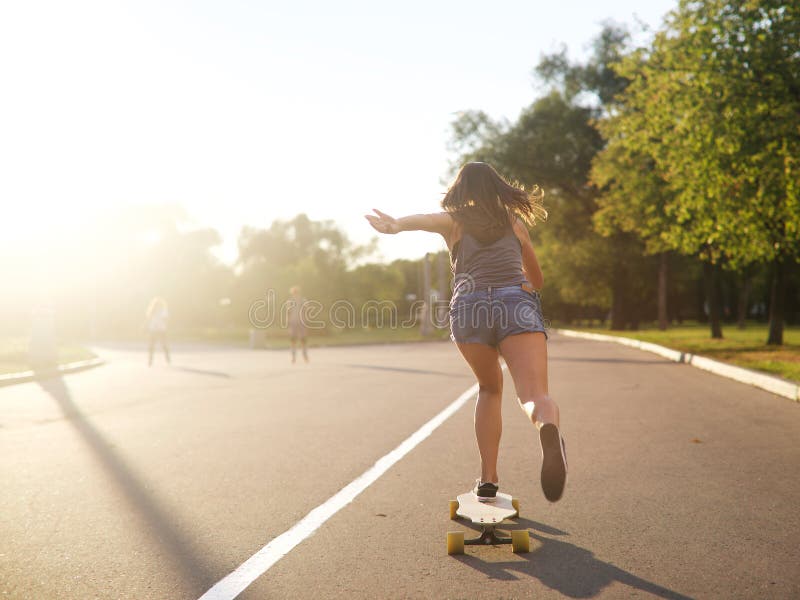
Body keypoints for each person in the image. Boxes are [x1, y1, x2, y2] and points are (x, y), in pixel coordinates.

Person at [365, 162, 567, 503]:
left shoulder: (454, 220)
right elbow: (539, 280)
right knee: (533, 394)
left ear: (462, 190)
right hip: (515, 302)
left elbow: (424, 220)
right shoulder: (515, 223)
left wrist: (396, 225)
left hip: (469, 307)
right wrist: (520, 287)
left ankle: (488, 479)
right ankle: (547, 428)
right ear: (498, 188)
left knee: (489, 389)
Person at [145, 296, 171, 366]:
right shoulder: (151, 311)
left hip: (161, 329)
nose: (157, 306)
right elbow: (149, 319)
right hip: (153, 329)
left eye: (158, 304)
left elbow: (165, 318)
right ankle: (150, 360)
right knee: (151, 345)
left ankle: (167, 356)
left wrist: (163, 324)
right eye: (156, 304)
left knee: (163, 344)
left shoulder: (163, 310)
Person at [287, 286, 309, 364]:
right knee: (297, 340)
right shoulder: (298, 300)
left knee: (299, 340)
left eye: (295, 292)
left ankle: (300, 356)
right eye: (294, 292)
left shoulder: (302, 300)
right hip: (297, 321)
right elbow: (289, 312)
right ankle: (297, 356)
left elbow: (288, 312)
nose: (295, 294)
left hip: (298, 321)